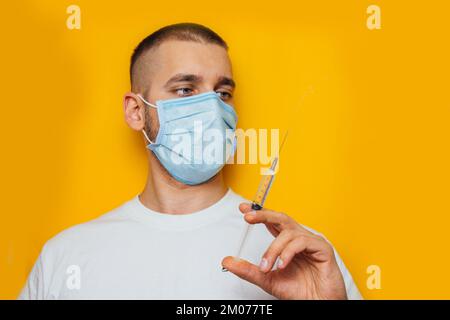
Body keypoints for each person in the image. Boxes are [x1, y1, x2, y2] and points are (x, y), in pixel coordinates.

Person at [19, 23, 362, 300]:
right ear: (137, 111)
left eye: (223, 93)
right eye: (185, 89)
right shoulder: (66, 256)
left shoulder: (298, 256)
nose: (213, 108)